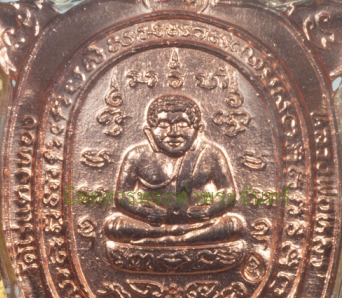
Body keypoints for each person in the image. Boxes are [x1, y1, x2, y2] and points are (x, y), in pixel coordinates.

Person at [104, 95, 244, 245]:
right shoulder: (136, 155)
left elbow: (228, 191)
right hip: (150, 226)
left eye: (182, 124)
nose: (173, 132)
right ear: (149, 131)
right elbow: (122, 195)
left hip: (201, 225)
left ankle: (173, 239)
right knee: (113, 226)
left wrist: (209, 210)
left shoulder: (211, 154)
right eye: (163, 125)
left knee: (234, 225)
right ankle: (170, 235)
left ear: (198, 130)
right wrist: (143, 212)